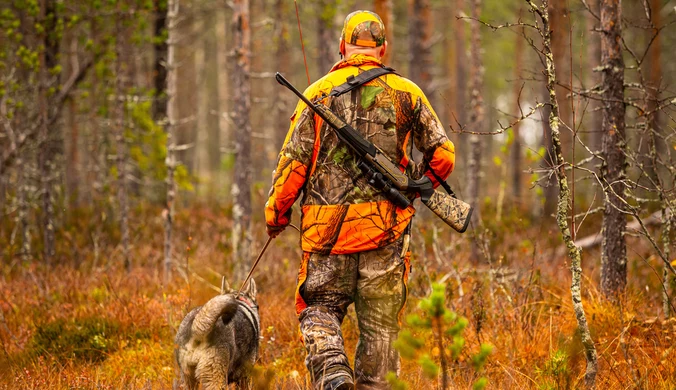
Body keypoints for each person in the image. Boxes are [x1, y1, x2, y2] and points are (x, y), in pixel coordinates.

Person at [265, 10, 456, 390]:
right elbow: (443, 155)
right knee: (381, 325)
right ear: (383, 49)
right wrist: (414, 188)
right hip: (385, 236)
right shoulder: (408, 93)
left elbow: (291, 170)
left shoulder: (316, 94)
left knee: (319, 308)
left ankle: (333, 372)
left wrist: (276, 215)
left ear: (342, 46)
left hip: (326, 237)